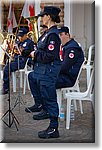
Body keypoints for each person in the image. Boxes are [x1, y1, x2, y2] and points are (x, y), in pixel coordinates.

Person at [25, 6, 61, 139]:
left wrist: (36, 54)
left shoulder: (53, 35)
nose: (41, 18)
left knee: (50, 99)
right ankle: (43, 110)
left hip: (48, 71)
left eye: (43, 15)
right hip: (42, 70)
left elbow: (50, 55)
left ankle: (53, 128)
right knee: (46, 96)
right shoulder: (47, 33)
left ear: (49, 16)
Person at [1, 27, 36, 94]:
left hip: (24, 61)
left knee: (7, 68)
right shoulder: (18, 42)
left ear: (26, 35)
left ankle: (5, 88)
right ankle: (6, 86)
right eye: (19, 36)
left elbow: (31, 53)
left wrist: (22, 51)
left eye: (22, 36)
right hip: (17, 60)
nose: (20, 38)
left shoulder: (30, 43)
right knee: (5, 65)